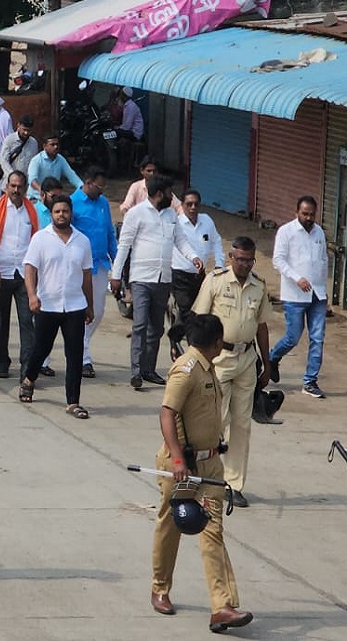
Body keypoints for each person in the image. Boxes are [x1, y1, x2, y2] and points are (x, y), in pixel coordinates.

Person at [150, 314, 253, 633]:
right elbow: (167, 413)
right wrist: (179, 461)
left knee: (212, 531)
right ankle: (160, 587)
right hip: (182, 465)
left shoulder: (208, 368)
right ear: (216, 342)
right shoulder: (186, 369)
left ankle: (221, 606)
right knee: (172, 523)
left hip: (210, 465)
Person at [192, 236, 269, 509]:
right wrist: (198, 358)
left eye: (250, 260)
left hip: (247, 359)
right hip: (218, 358)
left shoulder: (259, 286)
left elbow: (261, 326)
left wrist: (267, 364)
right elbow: (199, 320)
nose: (246, 264)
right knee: (216, 420)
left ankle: (234, 485)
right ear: (230, 257)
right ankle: (203, 477)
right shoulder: (215, 280)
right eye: (241, 259)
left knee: (242, 425)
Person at [112, 175, 202, 390]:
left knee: (157, 328)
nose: (173, 197)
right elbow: (124, 245)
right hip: (141, 278)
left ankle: (148, 370)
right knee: (140, 324)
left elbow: (180, 240)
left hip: (163, 279)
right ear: (159, 194)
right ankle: (135, 372)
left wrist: (193, 257)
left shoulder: (171, 214)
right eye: (170, 193)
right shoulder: (136, 214)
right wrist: (116, 276)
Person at [19, 195, 95, 418]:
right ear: (51, 214)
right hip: (47, 304)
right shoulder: (41, 239)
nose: (61, 215)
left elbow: (87, 276)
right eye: (57, 211)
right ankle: (29, 379)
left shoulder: (82, 241)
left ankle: (73, 402)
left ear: (71, 213)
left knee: (75, 354)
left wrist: (89, 306)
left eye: (65, 211)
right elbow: (30, 269)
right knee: (41, 349)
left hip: (74, 306)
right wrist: (32, 295)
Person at [268, 195, 328, 399]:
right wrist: (297, 278)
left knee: (317, 338)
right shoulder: (286, 232)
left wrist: (324, 290)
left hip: (318, 295)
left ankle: (310, 381)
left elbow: (323, 260)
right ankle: (272, 358)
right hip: (294, 294)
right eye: (305, 214)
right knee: (293, 337)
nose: (309, 218)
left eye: (312, 214)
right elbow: (278, 260)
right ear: (297, 213)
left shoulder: (319, 232)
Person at [69, 167, 118, 378]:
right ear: (87, 182)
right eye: (98, 186)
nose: (101, 190)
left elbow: (109, 233)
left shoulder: (103, 203)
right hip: (78, 267)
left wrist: (117, 261)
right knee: (80, 311)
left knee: (97, 312)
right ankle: (83, 358)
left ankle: (81, 345)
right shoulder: (72, 203)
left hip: (99, 265)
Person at [173, 189, 224, 326]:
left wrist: (219, 264)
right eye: (189, 204)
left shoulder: (207, 221)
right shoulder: (176, 224)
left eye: (196, 204)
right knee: (187, 313)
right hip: (179, 276)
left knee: (202, 311)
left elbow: (216, 242)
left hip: (200, 276)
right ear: (182, 205)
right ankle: (193, 345)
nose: (193, 208)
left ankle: (177, 335)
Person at [26, 133, 82, 200]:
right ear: (44, 146)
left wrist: (81, 186)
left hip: (53, 198)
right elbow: (32, 180)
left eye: (57, 144)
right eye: (52, 145)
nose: (55, 147)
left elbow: (71, 175)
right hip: (36, 197)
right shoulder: (36, 160)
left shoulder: (61, 159)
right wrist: (41, 191)